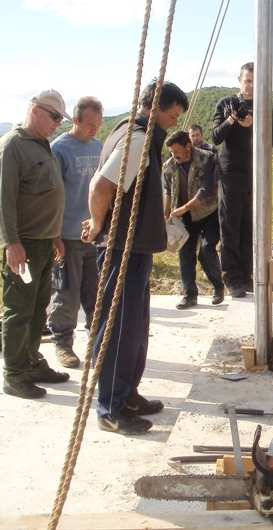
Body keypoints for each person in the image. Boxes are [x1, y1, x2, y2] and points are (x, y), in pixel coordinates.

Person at [82, 81, 188, 435]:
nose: (172, 124)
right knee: (119, 327)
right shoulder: (138, 138)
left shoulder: (128, 131)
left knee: (135, 328)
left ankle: (127, 394)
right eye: (171, 115)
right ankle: (110, 406)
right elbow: (101, 186)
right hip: (121, 250)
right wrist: (98, 224)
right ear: (156, 106)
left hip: (135, 248)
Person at [0, 89, 69, 399]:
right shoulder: (12, 146)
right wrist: (10, 242)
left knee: (38, 309)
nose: (57, 124)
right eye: (54, 117)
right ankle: (14, 374)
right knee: (19, 310)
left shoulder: (40, 144)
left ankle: (31, 361)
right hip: (23, 244)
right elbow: (2, 200)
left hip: (42, 242)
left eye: (60, 119)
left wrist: (54, 234)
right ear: (36, 111)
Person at [46, 97, 103, 368]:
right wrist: (54, 234)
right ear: (75, 120)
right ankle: (63, 344)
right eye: (89, 124)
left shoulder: (99, 147)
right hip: (67, 234)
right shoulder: (59, 149)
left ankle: (98, 342)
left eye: (98, 125)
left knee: (95, 291)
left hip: (94, 234)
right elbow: (51, 196)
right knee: (67, 292)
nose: (94, 130)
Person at [211, 62, 273, 298]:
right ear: (239, 80)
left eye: (254, 81)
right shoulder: (226, 103)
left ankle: (248, 275)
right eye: (247, 80)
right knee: (230, 225)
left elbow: (272, 139)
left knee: (251, 225)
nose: (250, 86)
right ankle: (232, 277)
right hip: (230, 173)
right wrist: (231, 120)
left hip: (256, 173)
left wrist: (255, 123)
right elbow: (216, 137)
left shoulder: (262, 106)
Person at [163, 129, 225, 309]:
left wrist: (184, 207)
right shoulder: (169, 166)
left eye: (177, 151)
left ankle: (218, 287)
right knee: (185, 253)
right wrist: (166, 214)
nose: (175, 156)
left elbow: (207, 191)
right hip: (185, 218)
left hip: (209, 213)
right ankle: (190, 294)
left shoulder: (208, 159)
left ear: (188, 146)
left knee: (206, 249)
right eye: (171, 153)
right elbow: (167, 191)